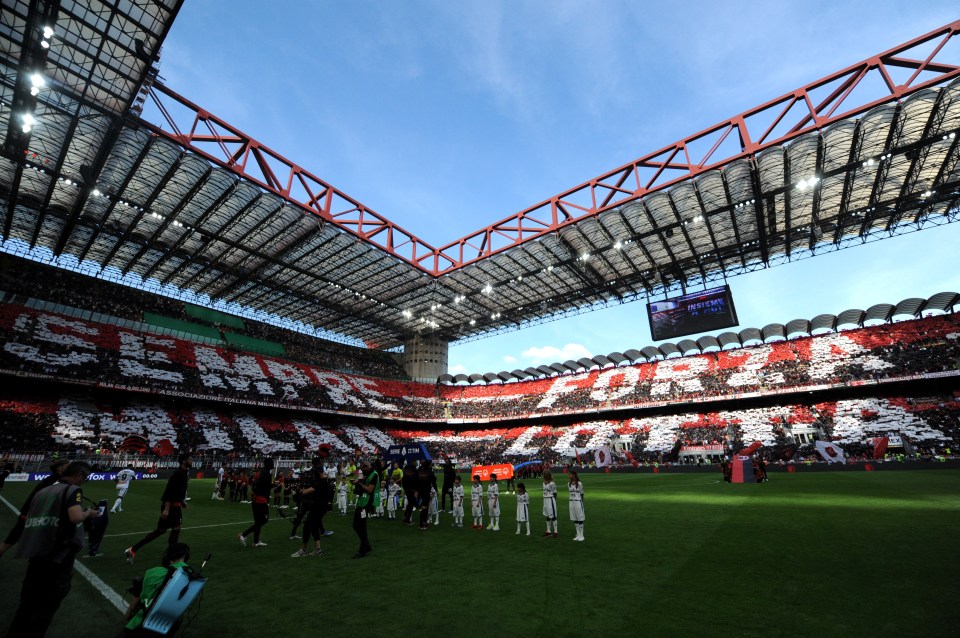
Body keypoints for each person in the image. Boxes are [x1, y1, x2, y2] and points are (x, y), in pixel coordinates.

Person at [5, 461, 100, 637]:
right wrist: (89, 513)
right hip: (57, 557)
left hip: (36, 554)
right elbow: (75, 517)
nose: (84, 481)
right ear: (79, 475)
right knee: (44, 611)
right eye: (85, 478)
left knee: (25, 607)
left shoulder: (42, 491)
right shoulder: (72, 490)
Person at [125, 453, 191, 564]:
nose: (191, 461)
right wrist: (166, 508)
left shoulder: (183, 473)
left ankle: (132, 549)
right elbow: (169, 491)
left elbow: (178, 491)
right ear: (184, 461)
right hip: (172, 507)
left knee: (160, 530)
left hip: (174, 505)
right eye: (189, 459)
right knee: (176, 528)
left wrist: (182, 501)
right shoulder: (178, 474)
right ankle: (172, 558)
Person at [0, 458, 69, 558]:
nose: (69, 467)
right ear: (59, 468)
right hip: (32, 513)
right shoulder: (55, 481)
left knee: (15, 536)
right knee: (15, 537)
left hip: (32, 512)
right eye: (67, 465)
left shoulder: (53, 479)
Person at [123, 542, 192, 636]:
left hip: (142, 625)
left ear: (169, 558)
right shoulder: (191, 577)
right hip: (168, 628)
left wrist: (128, 615)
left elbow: (142, 596)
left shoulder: (154, 573)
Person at [291, 460, 328, 557]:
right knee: (314, 527)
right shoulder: (325, 480)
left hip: (318, 507)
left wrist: (299, 491)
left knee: (307, 527)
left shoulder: (320, 482)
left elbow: (307, 491)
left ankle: (304, 550)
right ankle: (318, 549)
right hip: (321, 507)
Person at [238, 458, 274, 548]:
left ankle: (256, 541)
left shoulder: (261, 472)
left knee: (258, 521)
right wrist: (274, 485)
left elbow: (257, 484)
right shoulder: (266, 474)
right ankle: (244, 534)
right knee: (263, 520)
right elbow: (265, 485)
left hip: (256, 498)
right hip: (261, 499)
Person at [351, 459, 379, 559]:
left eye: (363, 466)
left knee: (361, 525)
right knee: (357, 525)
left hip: (367, 503)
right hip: (362, 501)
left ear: (368, 466)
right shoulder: (365, 473)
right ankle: (366, 544)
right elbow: (361, 481)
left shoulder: (374, 475)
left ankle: (363, 549)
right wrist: (357, 481)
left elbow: (369, 490)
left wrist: (359, 483)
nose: (362, 468)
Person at [568, 470, 585, 541]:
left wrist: (581, 502)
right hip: (571, 502)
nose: (569, 475)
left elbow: (582, 493)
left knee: (580, 519)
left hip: (578, 502)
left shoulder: (579, 484)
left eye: (570, 474)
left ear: (574, 475)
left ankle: (582, 535)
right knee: (574, 518)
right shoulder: (569, 484)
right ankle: (578, 534)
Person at [542, 469, 559, 538]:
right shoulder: (543, 483)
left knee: (553, 516)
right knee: (547, 515)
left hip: (550, 500)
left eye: (544, 474)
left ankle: (555, 531)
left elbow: (555, 493)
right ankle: (548, 531)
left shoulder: (552, 483)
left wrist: (553, 501)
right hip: (545, 500)